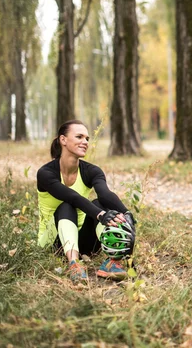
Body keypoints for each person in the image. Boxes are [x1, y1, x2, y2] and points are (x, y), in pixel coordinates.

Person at [37, 120, 135, 282]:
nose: (85, 142)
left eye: (87, 139)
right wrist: (100, 215)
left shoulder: (92, 171)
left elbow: (105, 195)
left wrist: (127, 214)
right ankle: (74, 264)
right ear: (63, 140)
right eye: (79, 137)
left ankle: (112, 263)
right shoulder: (46, 173)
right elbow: (72, 197)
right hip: (54, 243)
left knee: (100, 203)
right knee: (67, 205)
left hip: (86, 244)